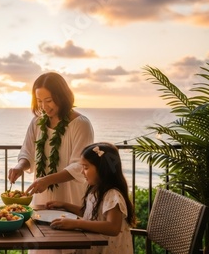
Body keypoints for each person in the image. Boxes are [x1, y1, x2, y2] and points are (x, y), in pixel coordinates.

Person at [8, 72, 94, 208]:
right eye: (39, 101)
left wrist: (48, 180)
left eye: (48, 101)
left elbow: (79, 165)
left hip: (70, 200)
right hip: (41, 198)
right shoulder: (37, 122)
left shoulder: (81, 124)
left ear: (62, 97)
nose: (44, 106)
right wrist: (20, 167)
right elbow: (27, 153)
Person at [48, 142, 136, 254]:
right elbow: (91, 213)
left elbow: (113, 227)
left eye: (85, 167)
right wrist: (64, 205)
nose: (81, 172)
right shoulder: (96, 190)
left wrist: (76, 223)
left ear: (102, 169)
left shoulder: (112, 194)